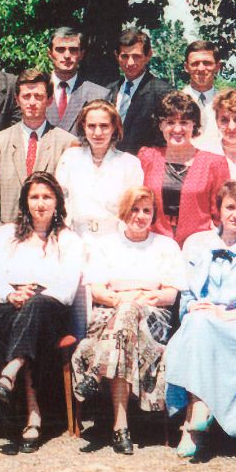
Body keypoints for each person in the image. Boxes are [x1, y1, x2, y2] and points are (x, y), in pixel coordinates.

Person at [164, 181, 236, 462]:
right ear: (219, 210)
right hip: (202, 322)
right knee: (198, 323)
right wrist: (194, 306)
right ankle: (198, 413)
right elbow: (187, 295)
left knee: (199, 327)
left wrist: (228, 314)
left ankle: (193, 423)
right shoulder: (197, 243)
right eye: (230, 207)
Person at [0, 171, 84, 454]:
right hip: (11, 305)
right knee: (22, 321)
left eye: (47, 197)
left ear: (58, 202)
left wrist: (33, 298)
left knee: (35, 309)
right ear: (25, 202)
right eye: (34, 197)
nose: (41, 203)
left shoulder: (69, 240)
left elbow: (67, 289)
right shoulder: (6, 234)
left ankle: (9, 373)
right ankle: (33, 417)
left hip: (51, 310)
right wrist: (10, 294)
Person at [71, 186, 181, 455]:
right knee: (125, 319)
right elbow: (96, 290)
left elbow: (170, 294)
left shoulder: (165, 245)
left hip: (152, 319)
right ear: (124, 210)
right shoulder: (105, 244)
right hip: (109, 314)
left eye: (147, 210)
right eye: (135, 209)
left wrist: (135, 300)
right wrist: (125, 301)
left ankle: (97, 376)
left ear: (154, 214)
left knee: (129, 314)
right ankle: (120, 428)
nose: (140, 215)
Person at [138, 91, 231, 247]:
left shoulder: (214, 164)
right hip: (154, 245)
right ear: (160, 125)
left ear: (193, 125)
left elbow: (221, 214)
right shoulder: (147, 158)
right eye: (170, 122)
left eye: (184, 122)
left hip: (198, 245)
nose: (177, 129)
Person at [0, 69, 77, 224]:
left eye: (38, 96)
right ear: (17, 100)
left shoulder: (67, 143)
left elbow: (70, 199)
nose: (31, 102)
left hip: (51, 233)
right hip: (9, 232)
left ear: (49, 100)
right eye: (26, 96)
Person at [55, 99, 143, 238]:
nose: (97, 132)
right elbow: (60, 200)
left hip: (116, 240)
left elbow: (133, 208)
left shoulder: (130, 164)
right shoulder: (70, 158)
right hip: (75, 237)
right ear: (83, 126)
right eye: (91, 126)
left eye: (104, 126)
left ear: (114, 127)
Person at [104, 27, 169, 154]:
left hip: (143, 165)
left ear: (148, 55)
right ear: (117, 56)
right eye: (125, 56)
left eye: (136, 56)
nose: (130, 62)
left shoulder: (162, 92)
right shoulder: (108, 91)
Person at [44, 27, 111, 135]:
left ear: (82, 54)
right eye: (60, 49)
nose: (67, 55)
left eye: (73, 50)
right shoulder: (35, 92)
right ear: (50, 53)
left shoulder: (98, 95)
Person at [179, 40, 224, 147]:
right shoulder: (175, 102)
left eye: (207, 63)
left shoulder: (225, 103)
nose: (201, 68)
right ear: (186, 67)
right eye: (195, 64)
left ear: (217, 67)